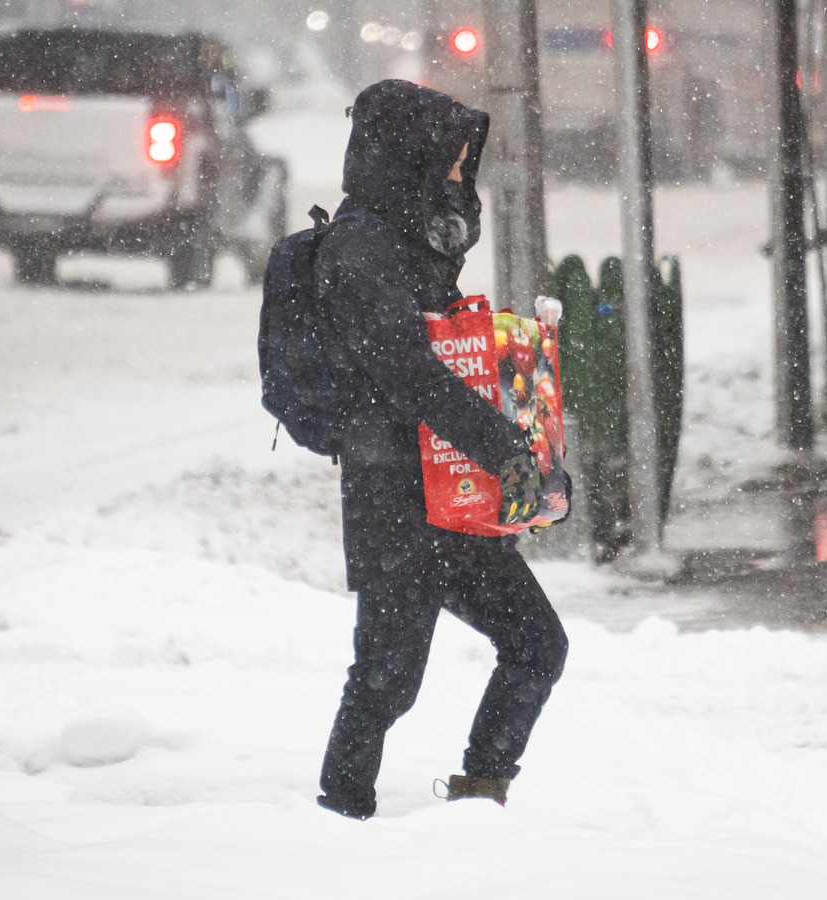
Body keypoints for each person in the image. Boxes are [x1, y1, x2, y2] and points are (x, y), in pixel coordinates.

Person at [314, 79, 569, 820]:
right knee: (387, 679)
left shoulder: (412, 242)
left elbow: (455, 366)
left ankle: (481, 795)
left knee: (536, 645)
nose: (461, 177)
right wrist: (504, 448)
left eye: (464, 164)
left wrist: (533, 444)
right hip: (394, 494)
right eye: (451, 163)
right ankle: (338, 816)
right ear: (408, 158)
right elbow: (410, 375)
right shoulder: (361, 249)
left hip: (451, 488)